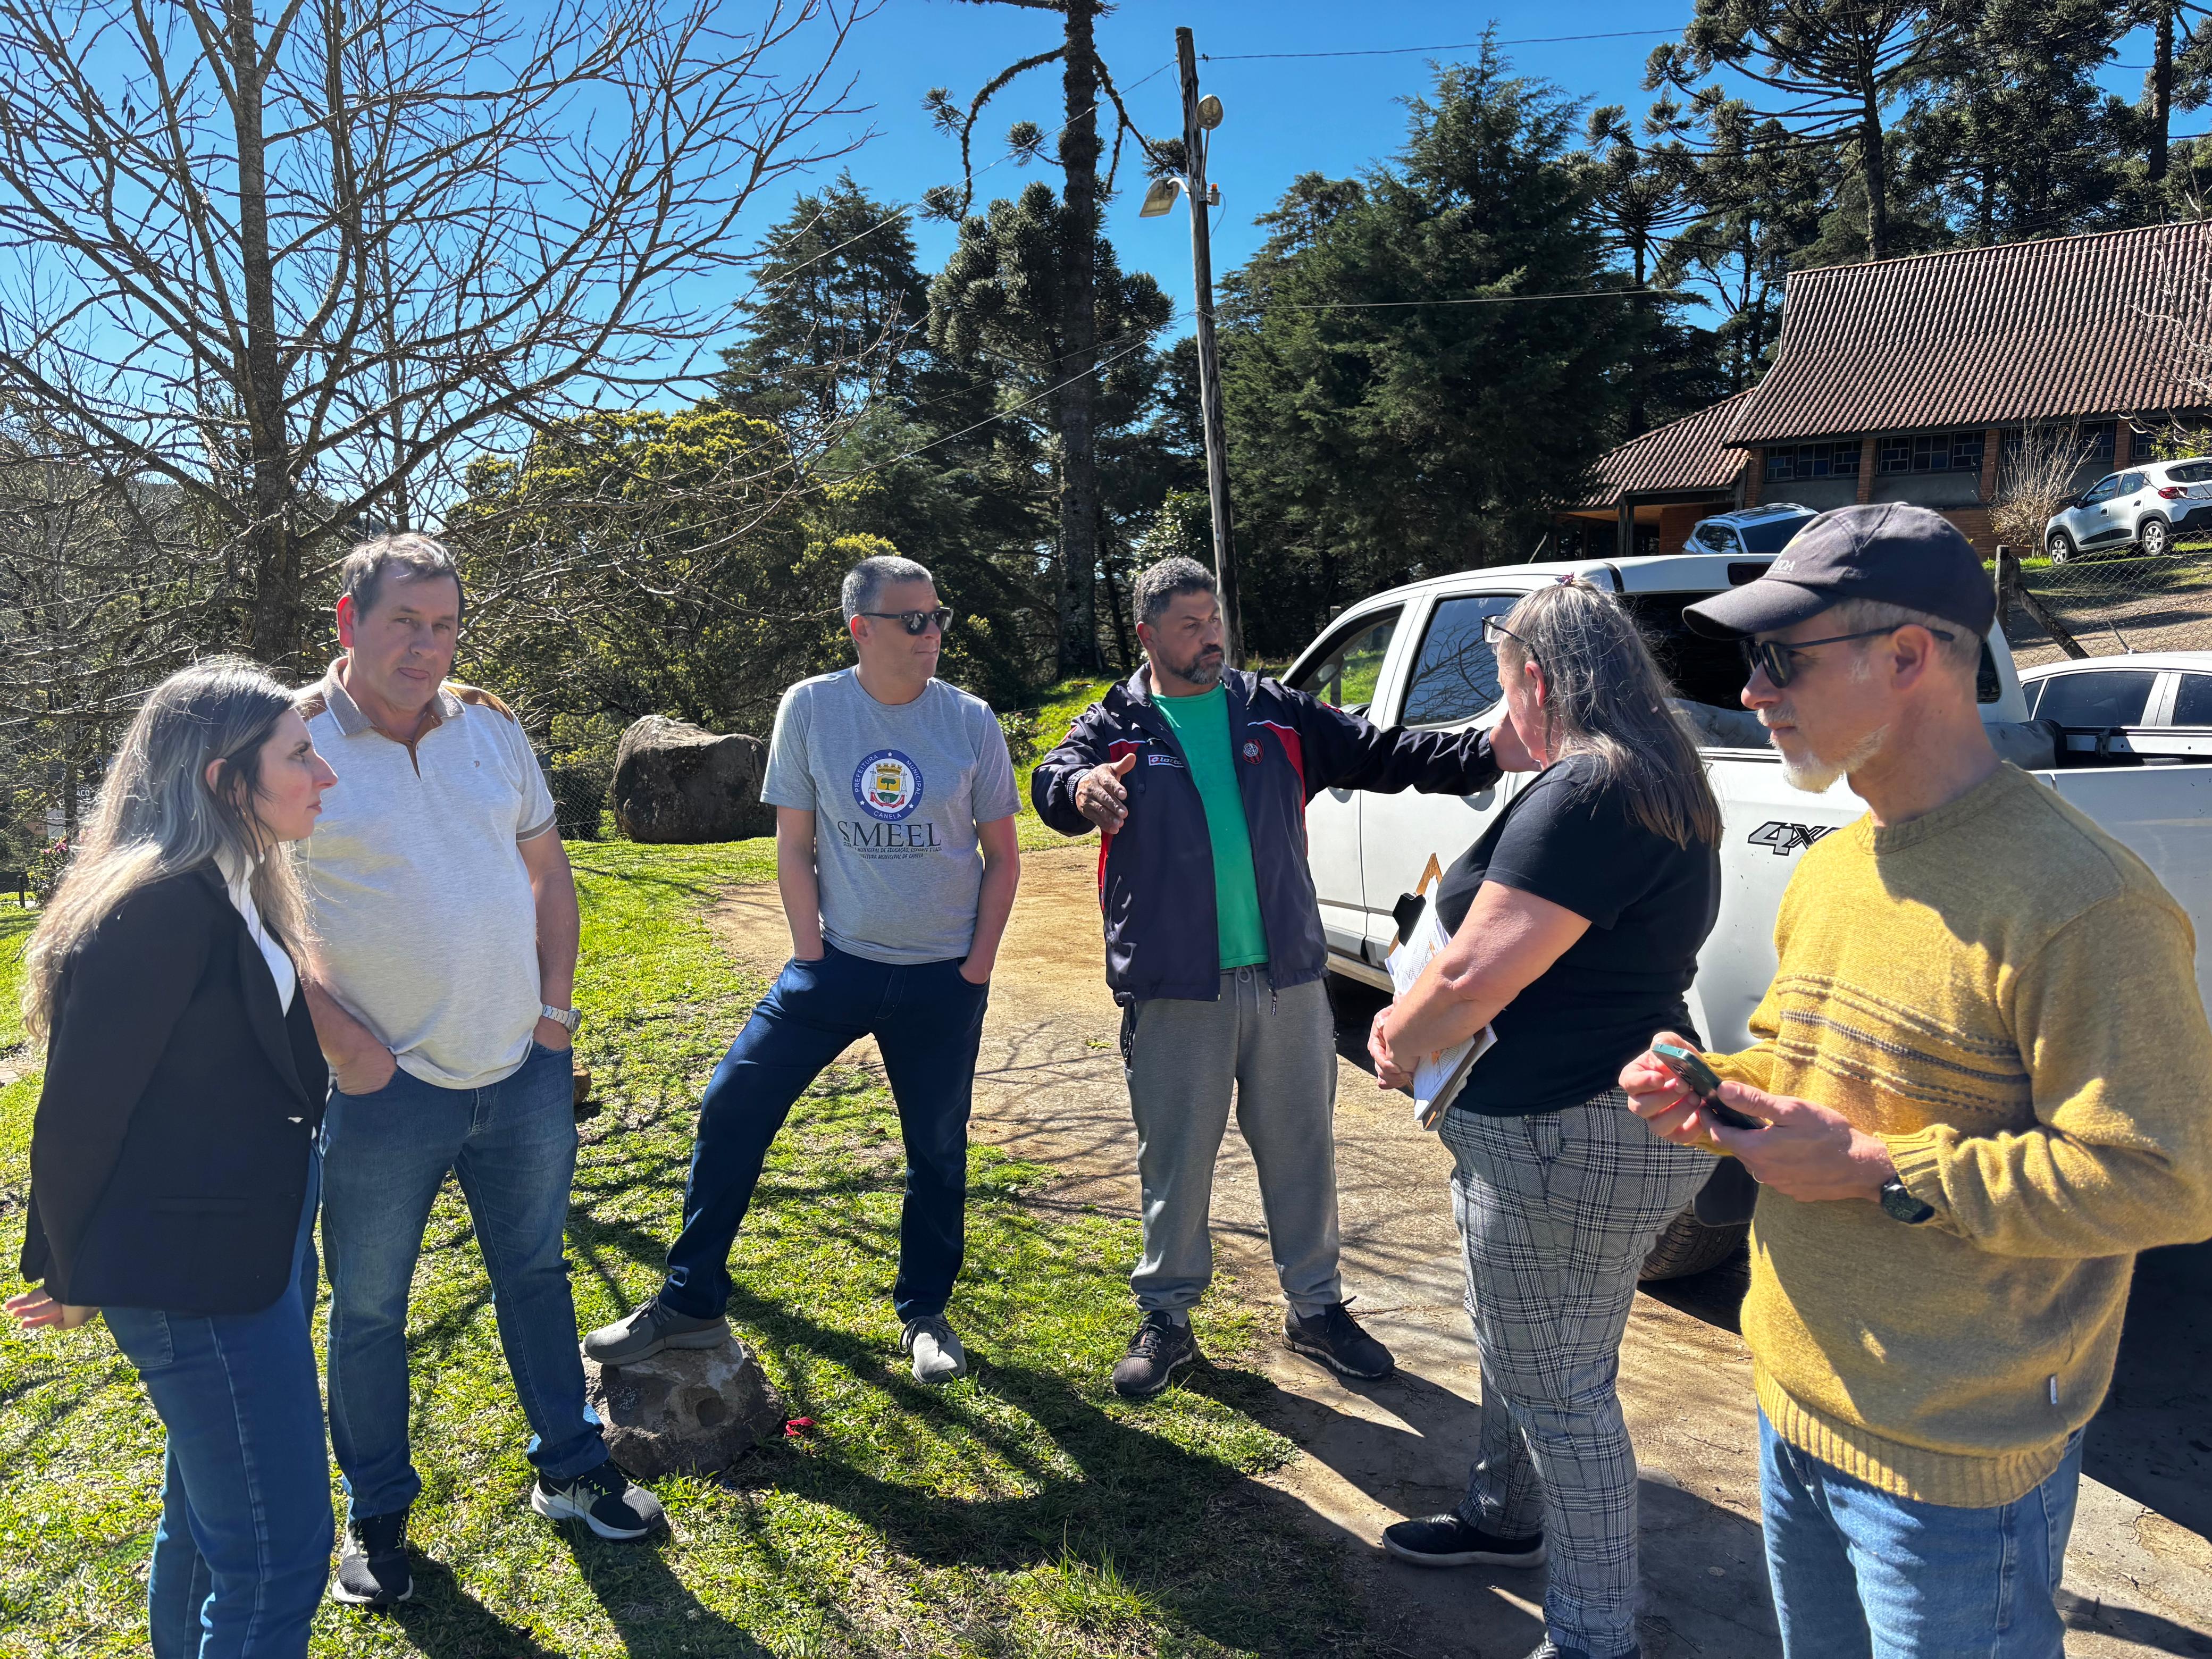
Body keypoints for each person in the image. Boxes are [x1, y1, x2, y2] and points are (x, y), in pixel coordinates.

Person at [1619, 503, 2212, 1659]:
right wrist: (1716, 1093)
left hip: (1953, 1471)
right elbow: (1819, 1081)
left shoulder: (2084, 901)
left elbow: (2166, 1178)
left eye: (1782, 659)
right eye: (1751, 660)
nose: (1752, 692)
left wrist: (1877, 1171)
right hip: (1791, 1400)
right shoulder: (1835, 864)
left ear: (1907, 657)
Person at [1032, 556, 1514, 1398]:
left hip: (1289, 980)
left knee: (1303, 1151)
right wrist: (1082, 788)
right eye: (1189, 624)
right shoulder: (1116, 725)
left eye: (1214, 619)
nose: (1210, 636)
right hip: (1177, 989)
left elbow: (1383, 750)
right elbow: (1052, 777)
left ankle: (1316, 1310)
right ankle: (1169, 1318)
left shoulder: (1273, 712)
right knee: (1176, 1161)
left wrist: (1486, 752)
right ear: (1147, 636)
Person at [298, 533, 661, 1609]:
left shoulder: (491, 729)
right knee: (367, 1308)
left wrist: (554, 1021)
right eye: (404, 621)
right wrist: (351, 1050)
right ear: (346, 621)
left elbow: (548, 876)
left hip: (520, 1072)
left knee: (537, 1274)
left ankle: (572, 1468)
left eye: (445, 623)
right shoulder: (290, 740)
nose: (427, 646)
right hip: (382, 1093)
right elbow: (255, 923)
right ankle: (377, 1517)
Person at [1365, 580, 1723, 1659]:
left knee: (1559, 1388)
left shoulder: (1587, 789)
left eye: (1499, 683)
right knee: (1539, 1348)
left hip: (1555, 1133)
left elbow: (1476, 972)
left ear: (1535, 678)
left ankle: (1592, 1635)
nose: (1492, 721)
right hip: (1607, 1123)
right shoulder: (1655, 776)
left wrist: (1397, 1034)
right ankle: (1503, 1515)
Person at [584, 554, 1019, 1386]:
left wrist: (975, 968)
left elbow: (1003, 855)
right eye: (913, 620)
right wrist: (810, 951)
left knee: (936, 1147)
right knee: (732, 1106)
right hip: (836, 968)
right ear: (861, 628)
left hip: (942, 981)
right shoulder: (814, 707)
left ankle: (924, 1311)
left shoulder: (970, 720)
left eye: (939, 617)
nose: (933, 634)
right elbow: (794, 841)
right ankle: (689, 1302)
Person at [10, 659, 339, 1658]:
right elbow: (76, 1114)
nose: (323, 774)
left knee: (208, 1528)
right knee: (279, 1553)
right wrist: (65, 1269)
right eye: (298, 756)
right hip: (197, 1280)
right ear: (222, 778)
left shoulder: (235, 885)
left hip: (253, 1249)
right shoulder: (153, 909)